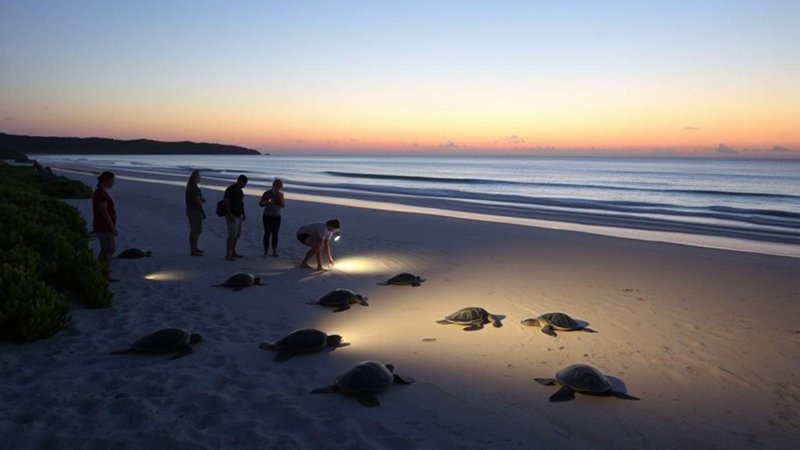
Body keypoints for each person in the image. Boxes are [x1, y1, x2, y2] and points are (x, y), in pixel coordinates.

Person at [93, 171, 118, 282]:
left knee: (105, 250)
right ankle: (105, 273)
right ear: (106, 180)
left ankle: (98, 271)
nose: (113, 182)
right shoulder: (101, 194)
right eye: (112, 180)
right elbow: (103, 211)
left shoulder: (101, 192)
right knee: (110, 249)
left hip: (102, 226)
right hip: (104, 226)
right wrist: (112, 227)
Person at [223, 174, 248, 261]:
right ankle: (228, 254)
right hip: (231, 215)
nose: (244, 185)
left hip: (238, 215)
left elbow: (241, 203)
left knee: (237, 234)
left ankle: (233, 251)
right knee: (232, 235)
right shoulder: (231, 189)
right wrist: (230, 214)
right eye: (244, 183)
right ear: (240, 181)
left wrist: (243, 214)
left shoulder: (240, 191)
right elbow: (226, 201)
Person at [259, 178, 285, 257]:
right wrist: (267, 202)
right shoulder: (267, 193)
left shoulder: (280, 194)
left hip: (277, 216)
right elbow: (260, 204)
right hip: (267, 215)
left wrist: (280, 201)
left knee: (275, 234)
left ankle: (274, 250)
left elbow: (283, 205)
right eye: (277, 187)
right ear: (273, 186)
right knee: (267, 233)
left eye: (279, 187)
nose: (278, 188)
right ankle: (266, 251)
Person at [185, 170, 206, 256]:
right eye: (199, 176)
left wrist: (201, 199)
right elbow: (197, 200)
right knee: (196, 230)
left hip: (190, 210)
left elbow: (197, 199)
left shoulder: (191, 187)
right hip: (195, 211)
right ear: (195, 178)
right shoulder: (194, 188)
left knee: (195, 230)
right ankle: (193, 250)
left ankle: (195, 248)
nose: (200, 178)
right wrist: (202, 211)